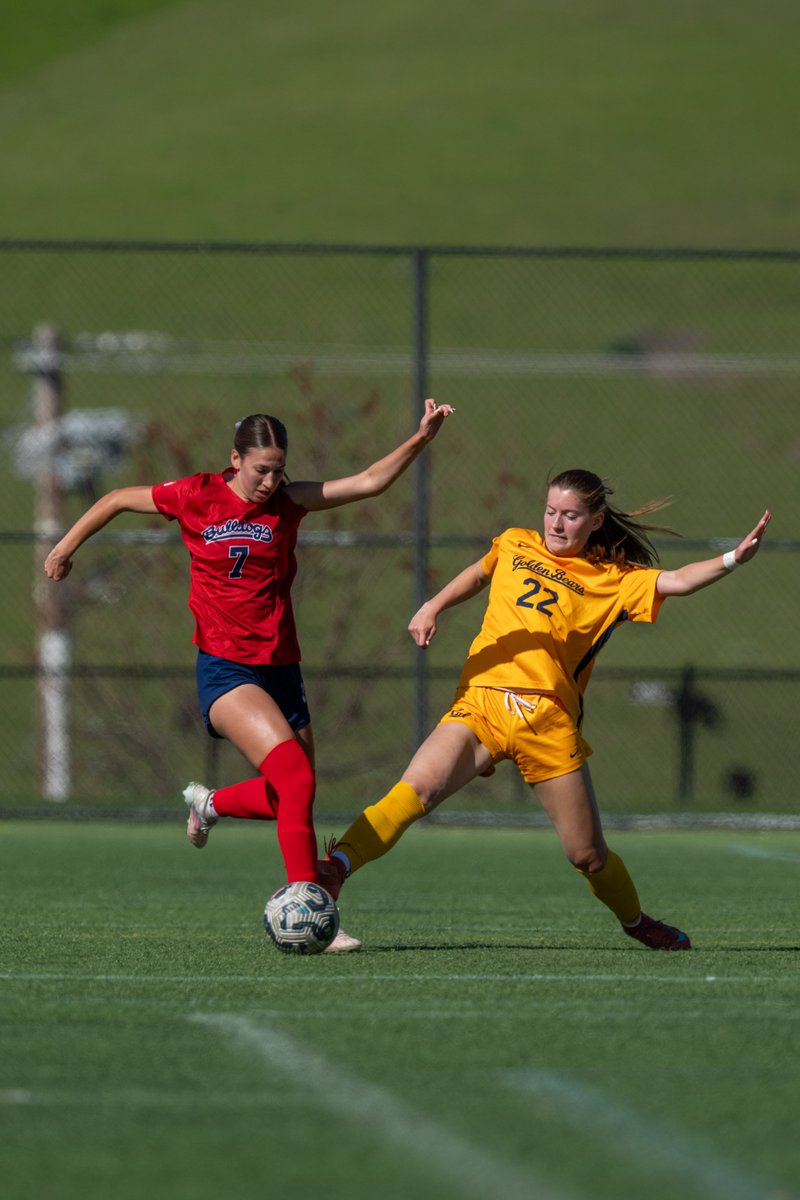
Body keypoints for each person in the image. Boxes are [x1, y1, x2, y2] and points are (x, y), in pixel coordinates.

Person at [44, 398, 454, 954]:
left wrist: (421, 438)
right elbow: (116, 498)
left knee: (294, 795)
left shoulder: (287, 503)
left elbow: (368, 482)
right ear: (234, 459)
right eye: (261, 469)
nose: (270, 481)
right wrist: (65, 547)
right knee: (297, 780)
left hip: (282, 667)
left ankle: (210, 805)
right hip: (225, 668)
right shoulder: (195, 494)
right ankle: (309, 905)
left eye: (278, 470)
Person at [319, 470, 772, 951]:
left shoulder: (614, 580)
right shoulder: (516, 543)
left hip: (548, 723)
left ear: (596, 521)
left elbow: (678, 580)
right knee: (416, 790)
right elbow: (479, 573)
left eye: (570, 515)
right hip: (483, 702)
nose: (556, 523)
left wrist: (732, 558)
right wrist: (433, 605)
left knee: (588, 856)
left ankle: (636, 921)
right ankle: (332, 872)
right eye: (551, 511)